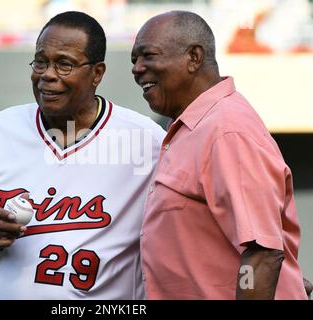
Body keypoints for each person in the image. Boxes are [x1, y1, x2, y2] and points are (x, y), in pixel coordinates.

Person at [0, 11, 166, 299]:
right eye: (41, 61)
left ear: (97, 73)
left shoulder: (144, 140)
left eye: (64, 64)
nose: (47, 74)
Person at [131, 10, 309, 299]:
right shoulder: (195, 127)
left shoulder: (226, 130)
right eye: (134, 60)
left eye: (148, 56)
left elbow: (262, 254)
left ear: (194, 57)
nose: (137, 69)